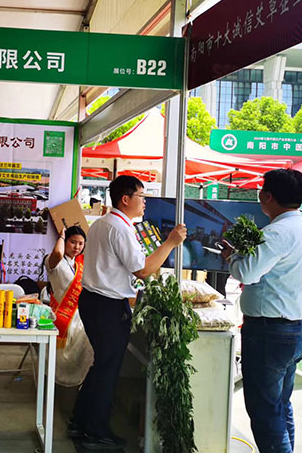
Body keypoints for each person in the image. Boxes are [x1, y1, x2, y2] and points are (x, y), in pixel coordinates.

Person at [69, 175, 187, 451]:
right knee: (107, 369)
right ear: (125, 199)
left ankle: (80, 421)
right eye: (141, 196)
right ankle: (95, 431)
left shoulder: (103, 223)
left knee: (102, 365)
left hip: (94, 301)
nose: (145, 202)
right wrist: (170, 243)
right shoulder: (120, 228)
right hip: (107, 306)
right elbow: (142, 270)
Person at [221, 169, 302, 453]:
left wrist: (233, 257)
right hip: (293, 329)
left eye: (261, 190)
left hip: (269, 332)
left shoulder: (276, 233)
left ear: (267, 196)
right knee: (279, 405)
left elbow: (247, 272)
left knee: (265, 411)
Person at [44, 226, 93, 387]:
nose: (77, 247)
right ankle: (57, 383)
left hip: (80, 314)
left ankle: (82, 383)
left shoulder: (79, 264)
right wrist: (61, 236)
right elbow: (58, 253)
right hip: (62, 316)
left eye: (80, 243)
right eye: (72, 242)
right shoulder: (53, 261)